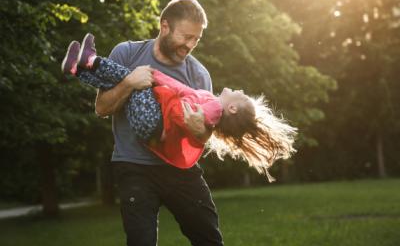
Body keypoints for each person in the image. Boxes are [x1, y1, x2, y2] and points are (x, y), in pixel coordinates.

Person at [62, 34, 296, 179]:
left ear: (232, 109)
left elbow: (183, 108)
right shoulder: (209, 102)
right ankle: (78, 68)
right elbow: (182, 91)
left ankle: (91, 61)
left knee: (129, 77)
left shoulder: (213, 109)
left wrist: (157, 81)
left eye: (241, 96)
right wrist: (159, 79)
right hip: (151, 123)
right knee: (127, 79)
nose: (241, 91)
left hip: (153, 122)